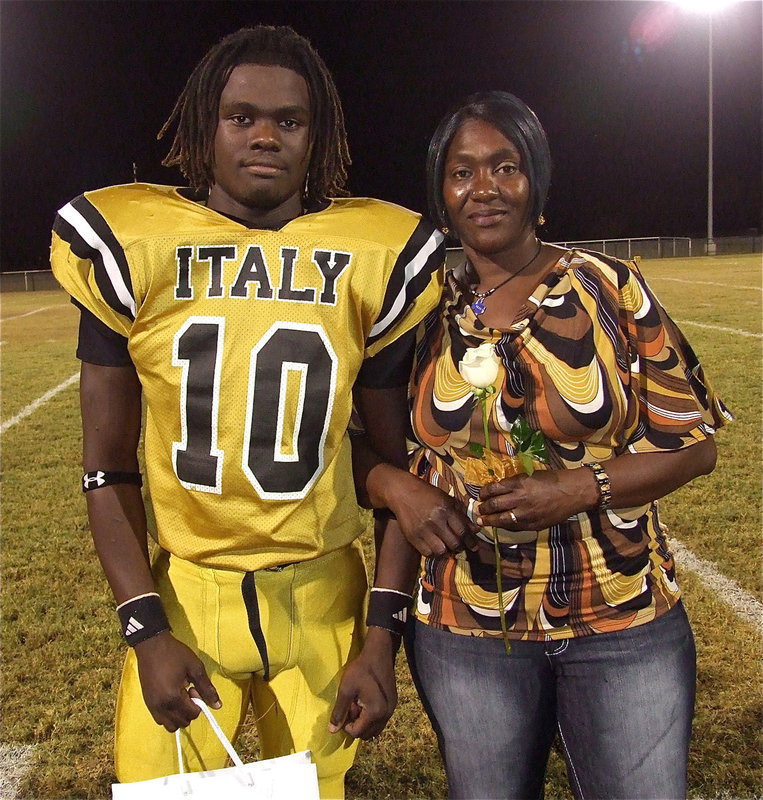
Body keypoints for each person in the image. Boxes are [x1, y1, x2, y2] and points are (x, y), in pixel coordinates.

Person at [50, 25, 471, 798]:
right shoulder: (136, 244)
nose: (265, 135)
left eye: (290, 120)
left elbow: (391, 467)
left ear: (318, 136)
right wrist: (144, 628)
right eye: (241, 117)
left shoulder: (372, 254)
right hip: (187, 594)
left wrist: (380, 637)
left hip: (323, 596)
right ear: (203, 126)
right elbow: (105, 467)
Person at [373, 91, 732, 800]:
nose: (482, 187)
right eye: (461, 171)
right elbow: (371, 450)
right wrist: (394, 487)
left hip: (621, 616)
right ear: (440, 195)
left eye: (504, 167)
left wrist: (579, 487)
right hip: (464, 630)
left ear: (536, 181)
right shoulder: (419, 311)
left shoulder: (607, 286)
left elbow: (694, 446)